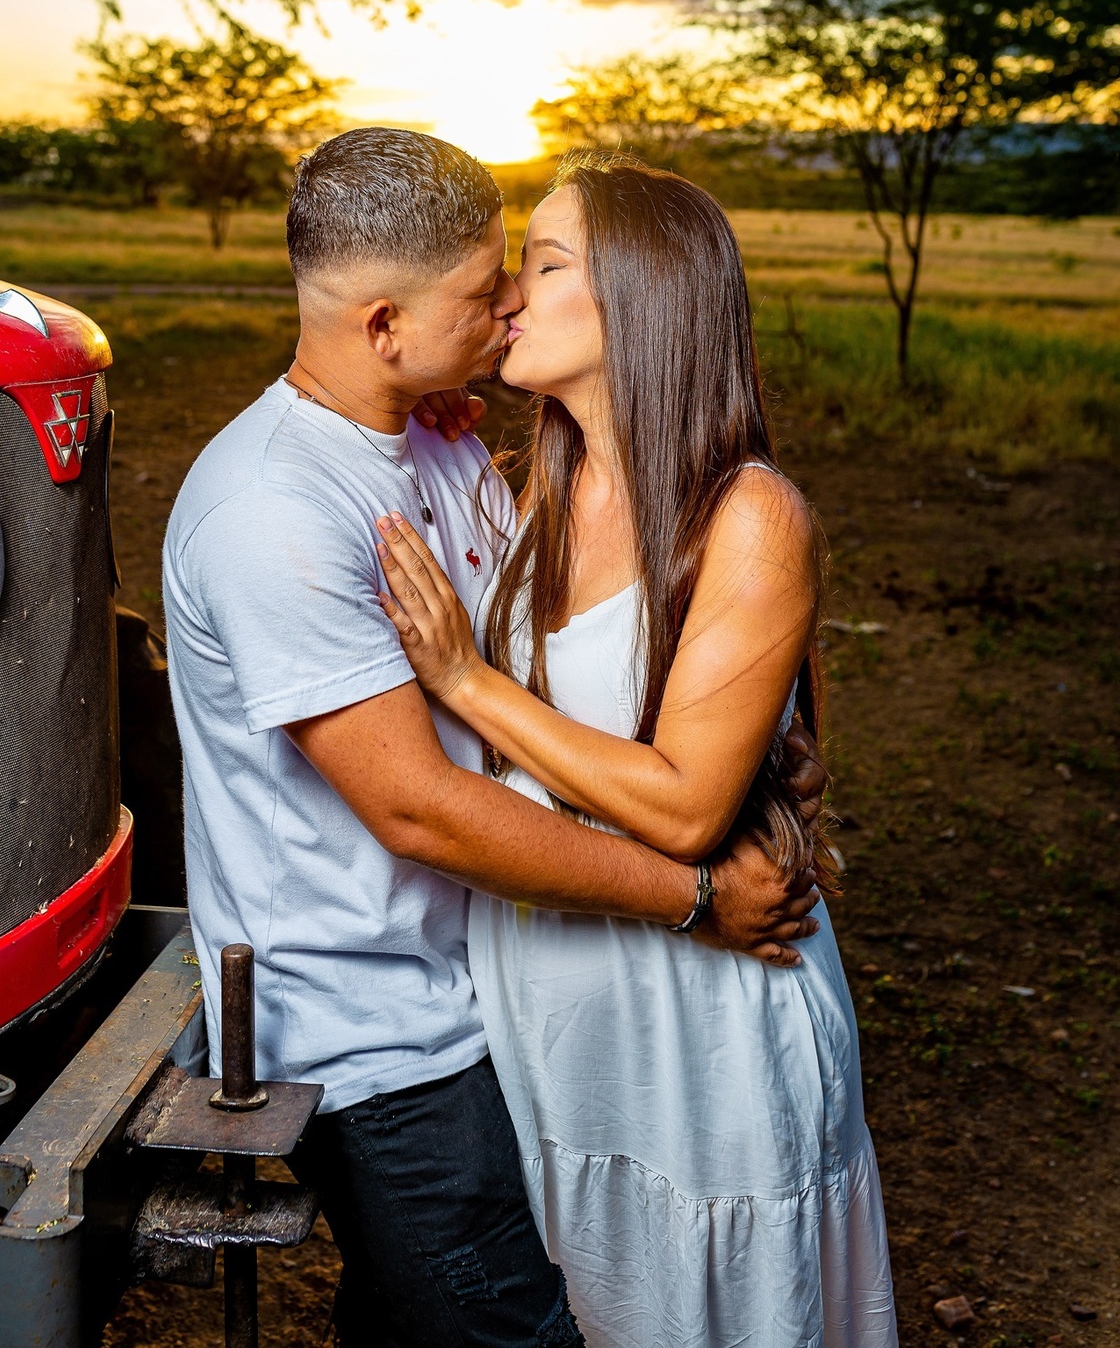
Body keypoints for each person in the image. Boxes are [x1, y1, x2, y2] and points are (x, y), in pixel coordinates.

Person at [162, 129, 828, 1348]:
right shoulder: (275, 510)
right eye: (486, 290)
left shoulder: (454, 445)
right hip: (384, 1038)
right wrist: (692, 892)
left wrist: (757, 736)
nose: (512, 300)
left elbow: (594, 669)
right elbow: (421, 806)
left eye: (534, 270)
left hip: (503, 995)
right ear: (382, 323)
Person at [375, 158, 898, 1347]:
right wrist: (428, 407)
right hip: (557, 1023)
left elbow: (683, 805)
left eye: (547, 265)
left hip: (696, 1032)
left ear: (645, 301)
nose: (509, 292)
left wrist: (466, 681)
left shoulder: (747, 514)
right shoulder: (537, 494)